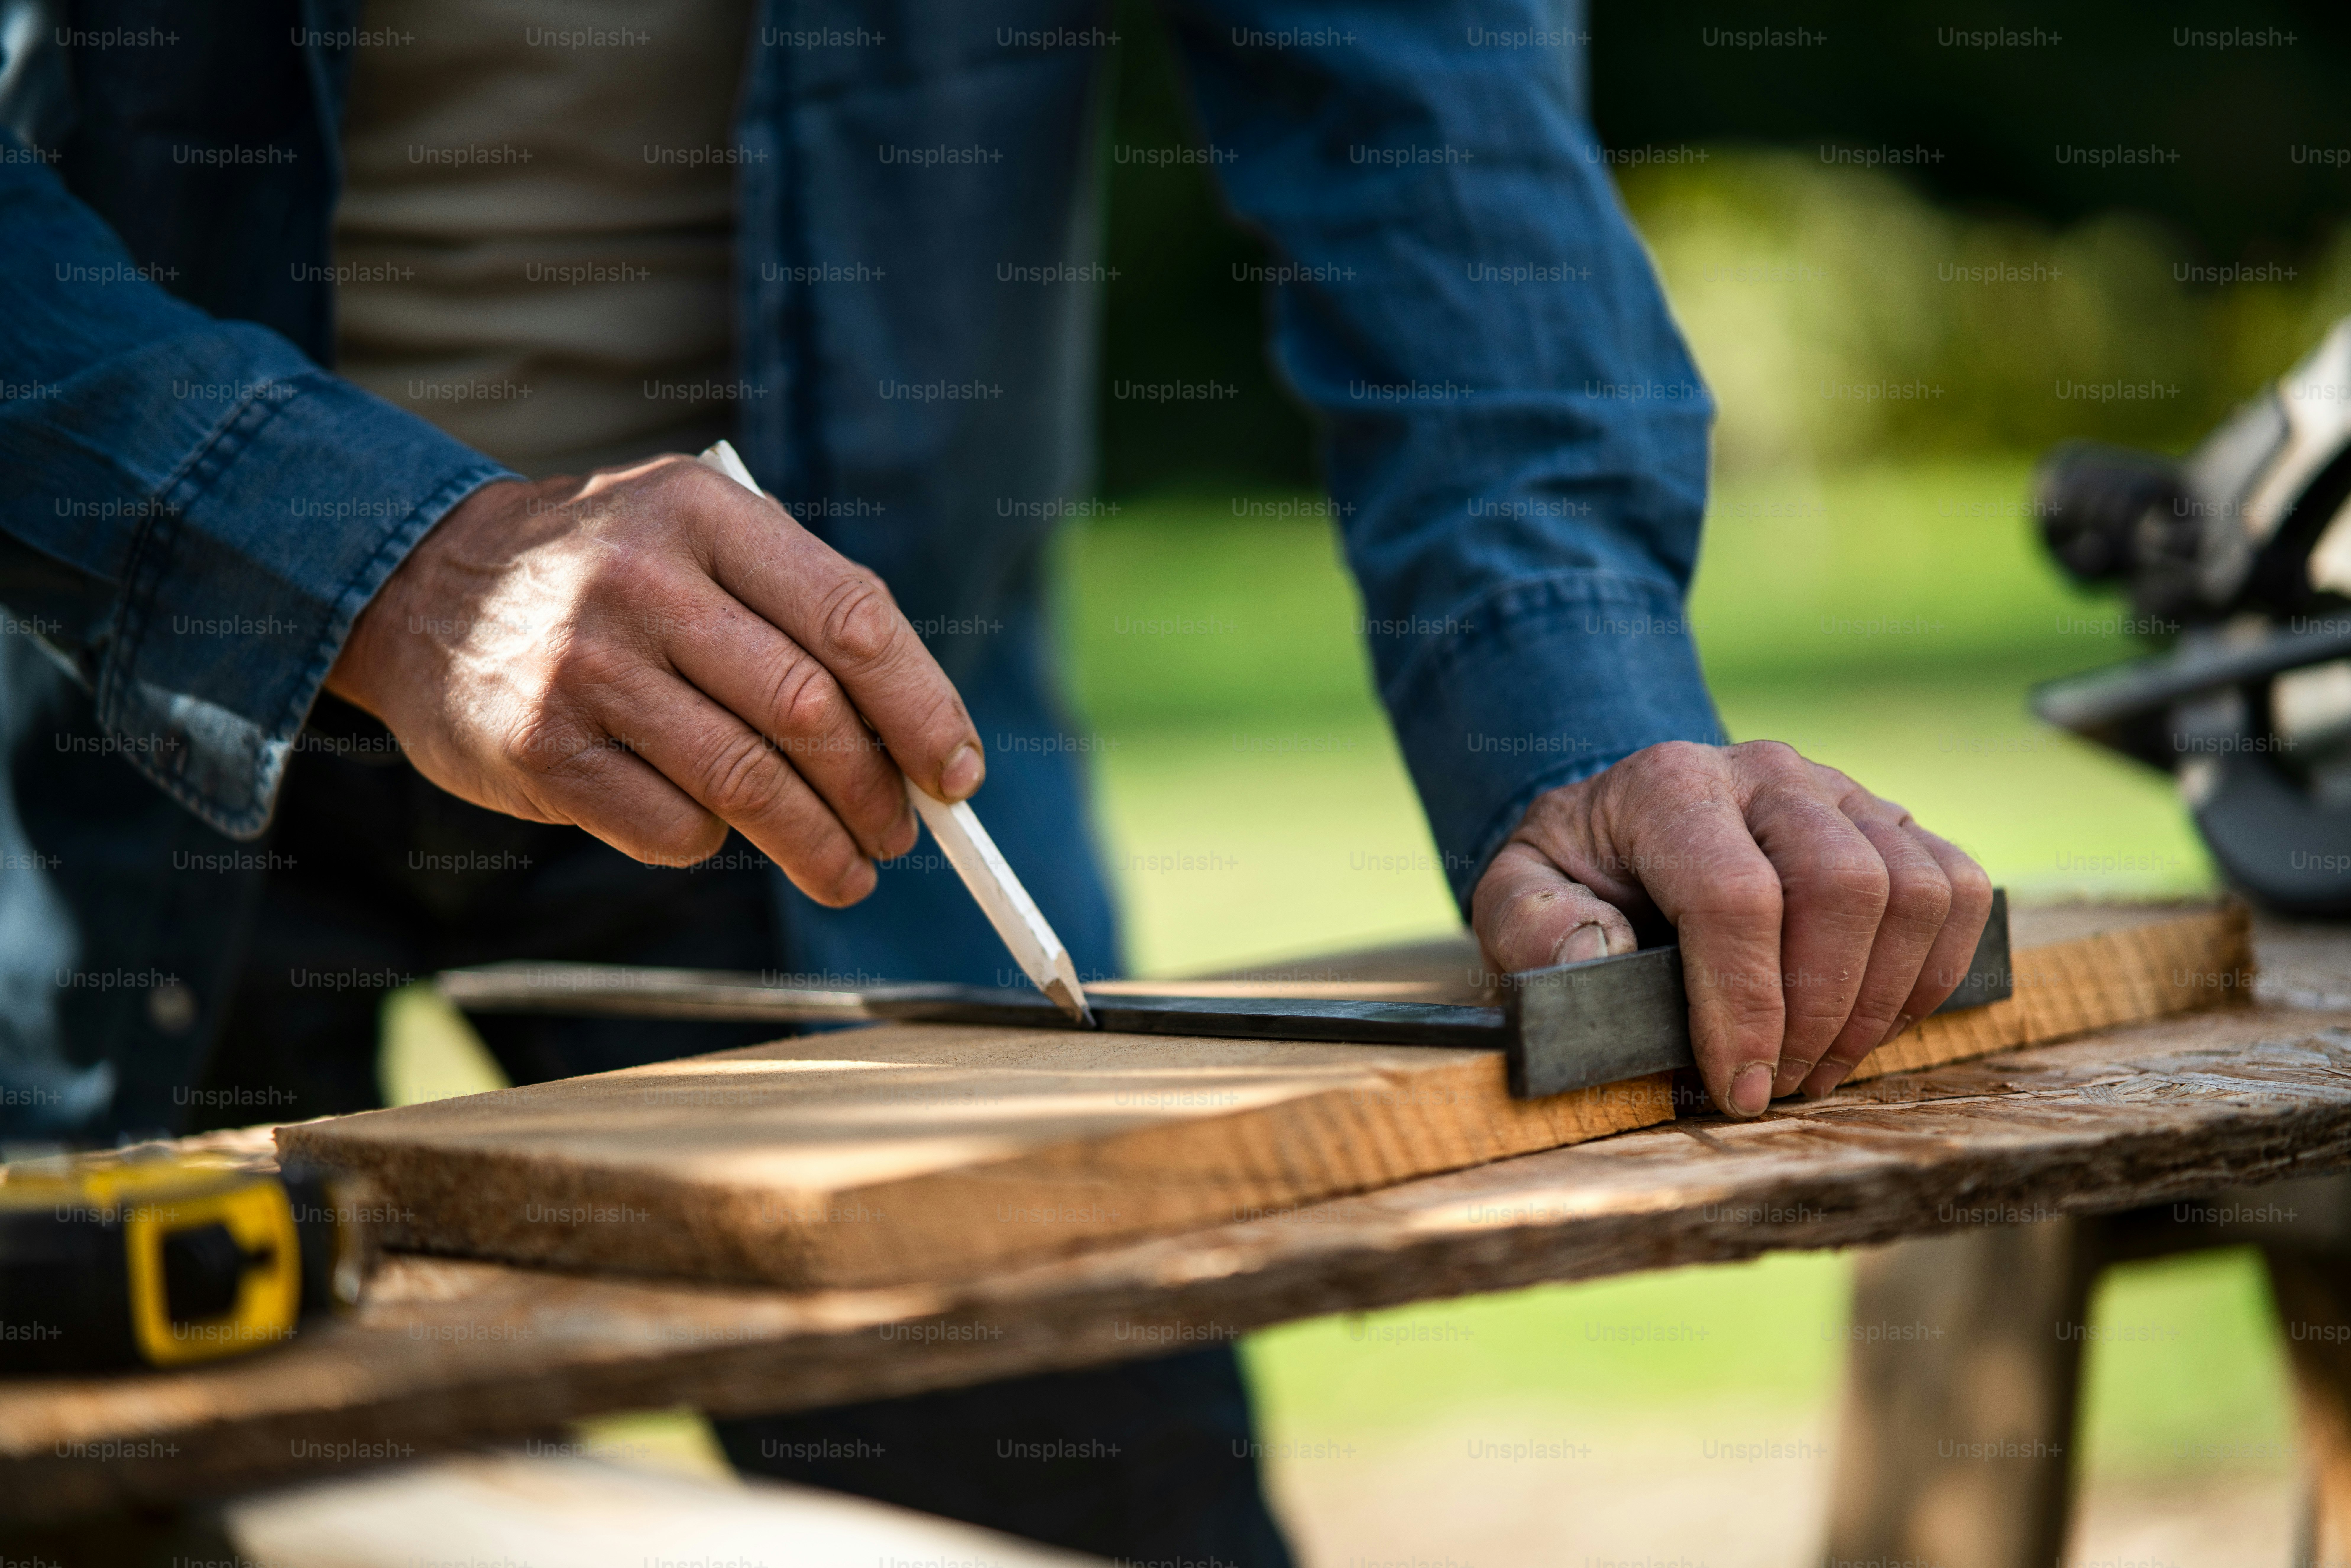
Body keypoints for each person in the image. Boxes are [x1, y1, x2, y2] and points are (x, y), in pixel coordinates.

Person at [0, 2, 1990, 1562]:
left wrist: (1582, 709)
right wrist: (376, 556)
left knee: (1099, 1507)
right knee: (85, 1490)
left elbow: (1426, 120)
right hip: (87, 726)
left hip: (835, 759)